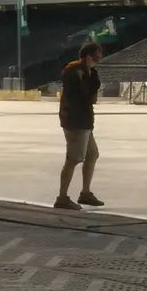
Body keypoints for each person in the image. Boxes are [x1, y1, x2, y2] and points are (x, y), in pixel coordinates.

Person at [55, 40, 104, 210]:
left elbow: (92, 96)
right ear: (89, 56)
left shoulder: (89, 71)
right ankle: (62, 197)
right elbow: (84, 93)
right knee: (74, 158)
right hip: (75, 120)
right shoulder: (73, 70)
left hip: (84, 120)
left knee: (92, 154)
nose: (99, 58)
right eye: (97, 55)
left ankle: (85, 193)